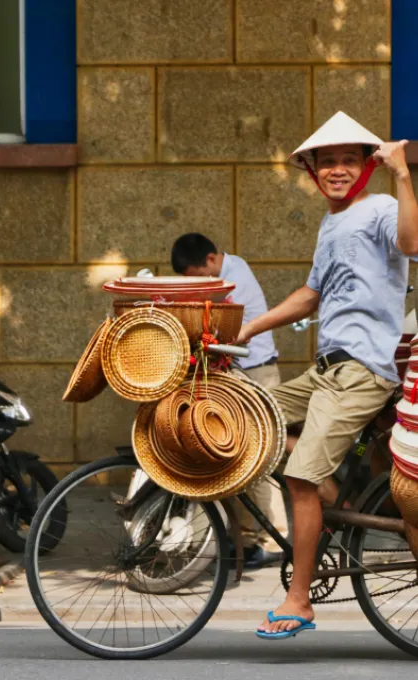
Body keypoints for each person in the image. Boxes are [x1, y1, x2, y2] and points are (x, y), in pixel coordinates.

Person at [235, 111, 418, 639]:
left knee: (299, 477)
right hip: (324, 373)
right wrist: (252, 327)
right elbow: (311, 294)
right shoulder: (331, 223)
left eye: (347, 161)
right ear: (313, 172)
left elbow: (411, 244)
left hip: (363, 373)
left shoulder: (381, 207)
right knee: (248, 419)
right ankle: (328, 508)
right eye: (326, 162)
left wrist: (402, 174)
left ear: (365, 166)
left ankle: (300, 599)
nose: (336, 170)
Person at [171, 233, 289, 569]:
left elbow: (212, 326)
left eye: (196, 276)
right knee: (235, 460)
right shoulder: (227, 268)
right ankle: (250, 539)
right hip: (239, 371)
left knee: (259, 460)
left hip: (255, 373)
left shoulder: (231, 280)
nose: (198, 282)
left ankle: (272, 540)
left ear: (210, 259)